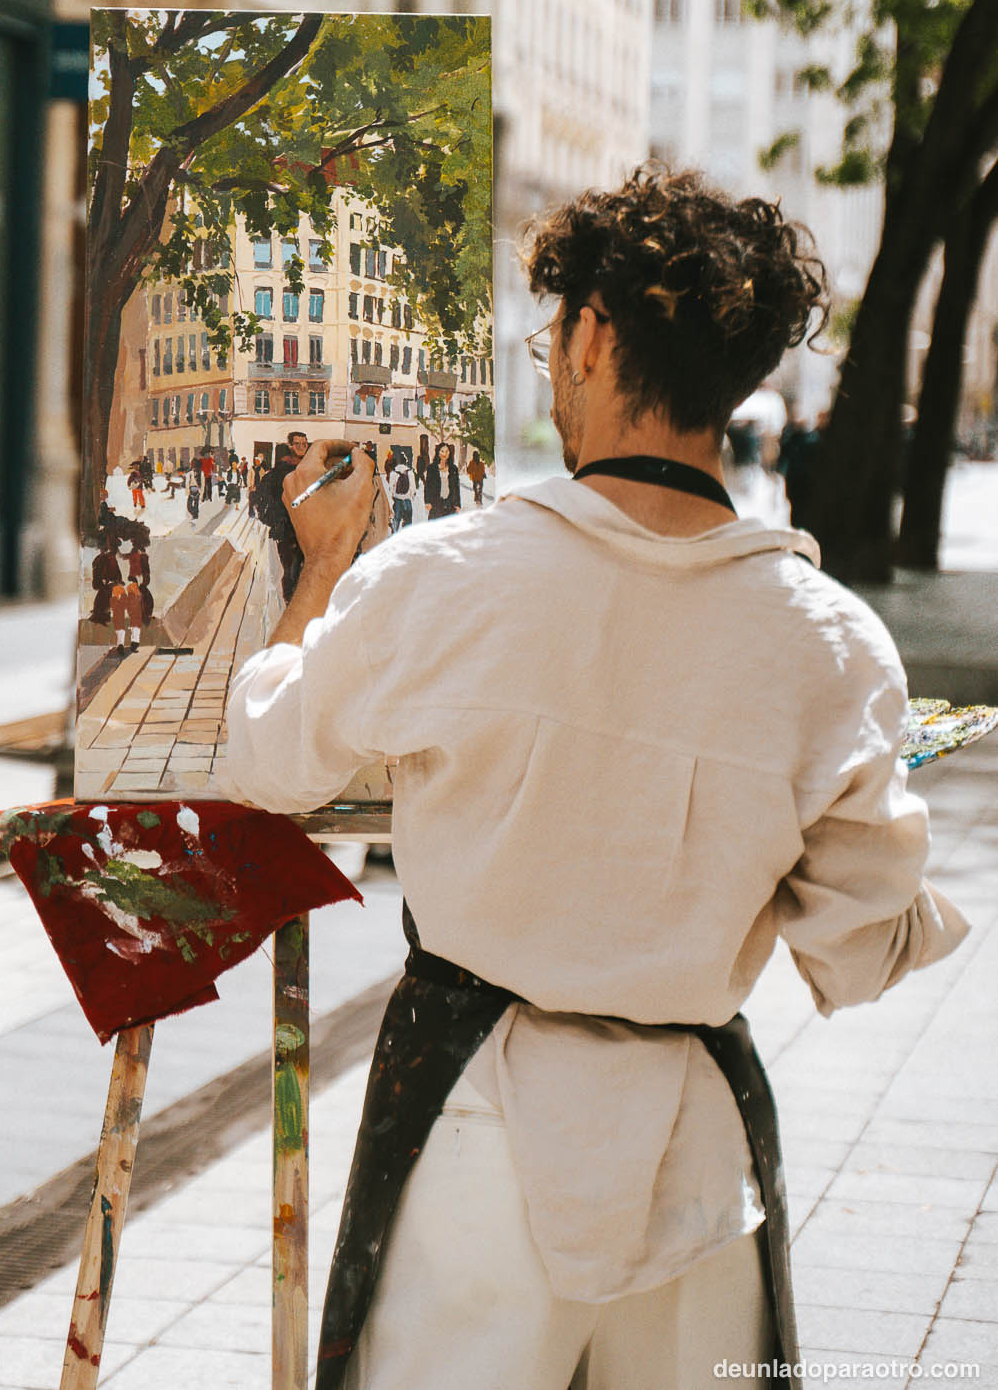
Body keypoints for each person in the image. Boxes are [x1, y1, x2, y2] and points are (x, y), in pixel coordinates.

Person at [221, 167, 967, 1390]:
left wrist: (316, 577)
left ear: (590, 334)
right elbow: (859, 947)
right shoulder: (831, 646)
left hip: (473, 1132)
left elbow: (269, 761)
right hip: (696, 1162)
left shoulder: (446, 577)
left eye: (550, 332)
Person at [252, 429, 311, 600]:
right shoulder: (280, 471)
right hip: (287, 530)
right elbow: (262, 497)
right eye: (298, 444)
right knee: (291, 570)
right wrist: (277, 520)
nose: (302, 447)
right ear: (290, 446)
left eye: (304, 444)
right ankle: (290, 606)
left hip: (310, 529)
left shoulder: (312, 470)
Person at [423, 440, 461, 520]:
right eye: (442, 451)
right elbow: (427, 486)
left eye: (447, 451)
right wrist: (427, 502)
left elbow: (456, 487)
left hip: (450, 504)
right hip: (436, 503)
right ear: (438, 452)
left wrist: (457, 504)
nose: (444, 454)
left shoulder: (453, 469)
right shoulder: (431, 468)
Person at [385, 455, 415, 532]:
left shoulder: (393, 473)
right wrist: (410, 496)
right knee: (408, 522)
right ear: (406, 462)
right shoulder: (410, 473)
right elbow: (413, 488)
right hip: (407, 500)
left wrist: (392, 498)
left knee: (396, 521)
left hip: (397, 500)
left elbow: (391, 488)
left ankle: (394, 536)